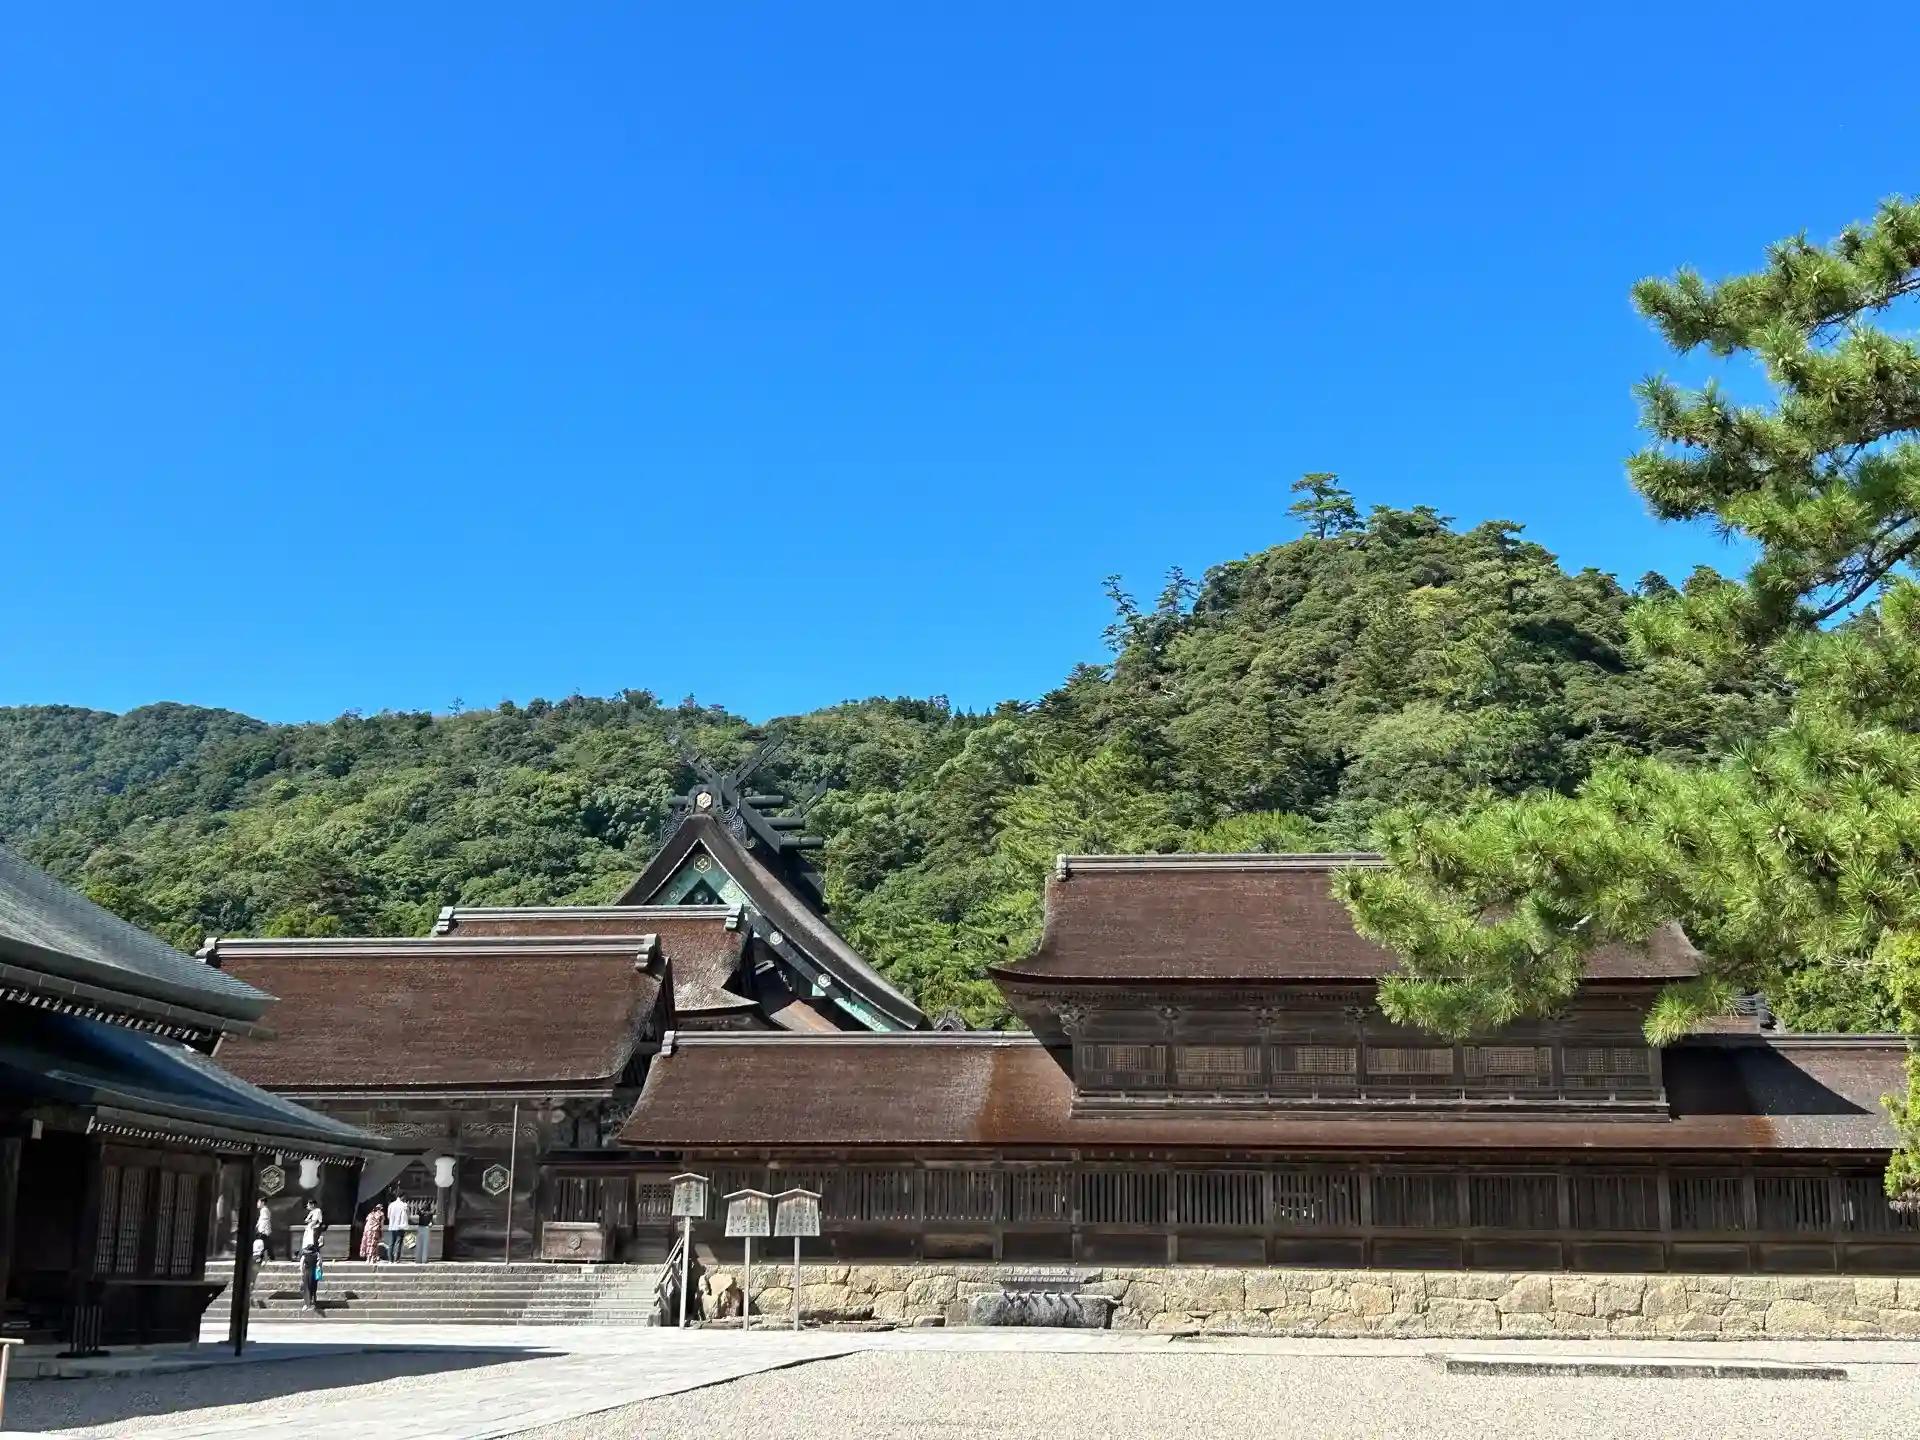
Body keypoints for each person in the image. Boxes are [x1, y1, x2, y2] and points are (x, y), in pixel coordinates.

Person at [299, 1201, 326, 1312]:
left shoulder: (317, 1212)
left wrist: (301, 1272)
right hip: (312, 1270)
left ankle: (309, 1303)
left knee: (308, 1286)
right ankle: (311, 1302)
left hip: (308, 1270)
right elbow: (320, 1264)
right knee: (312, 1286)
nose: (307, 1206)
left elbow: (301, 1265)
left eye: (308, 1204)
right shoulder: (316, 1254)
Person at [385, 1192, 413, 1262]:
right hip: (400, 1226)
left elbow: (388, 1216)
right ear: (402, 1196)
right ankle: (396, 1259)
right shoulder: (404, 1205)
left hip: (392, 1226)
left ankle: (390, 1259)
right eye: (404, 1196)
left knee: (391, 1243)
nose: (405, 1198)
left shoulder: (391, 1205)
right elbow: (408, 1216)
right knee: (398, 1242)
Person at [360, 1198, 386, 1264]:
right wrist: (381, 1232)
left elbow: (367, 1222)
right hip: (375, 1230)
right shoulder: (381, 1214)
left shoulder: (370, 1214)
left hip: (367, 1230)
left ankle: (368, 1259)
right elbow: (381, 1224)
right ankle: (372, 1259)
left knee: (368, 1244)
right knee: (373, 1245)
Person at [255, 1196, 274, 1261]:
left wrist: (262, 1229)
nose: (257, 1204)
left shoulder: (264, 1210)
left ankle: (262, 1257)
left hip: (264, 1231)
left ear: (262, 1203)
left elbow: (265, 1220)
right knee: (266, 1244)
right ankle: (270, 1257)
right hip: (264, 1230)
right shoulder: (263, 1210)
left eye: (258, 1202)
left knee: (264, 1244)